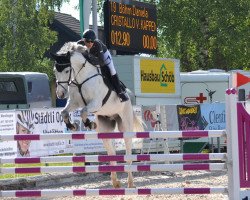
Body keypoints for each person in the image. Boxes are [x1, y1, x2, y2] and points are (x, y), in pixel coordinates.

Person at [77, 29, 129, 102]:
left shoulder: (97, 44)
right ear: (84, 40)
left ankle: (120, 92)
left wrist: (89, 57)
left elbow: (101, 62)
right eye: (88, 41)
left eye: (92, 41)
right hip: (93, 57)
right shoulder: (79, 44)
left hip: (104, 56)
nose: (90, 43)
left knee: (112, 70)